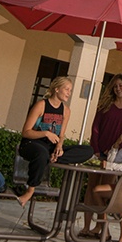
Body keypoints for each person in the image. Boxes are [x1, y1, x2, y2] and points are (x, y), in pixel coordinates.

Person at [17, 76, 93, 207]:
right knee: (41, 153)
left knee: (88, 151)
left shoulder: (66, 111)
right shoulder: (41, 105)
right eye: (67, 89)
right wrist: (46, 133)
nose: (69, 92)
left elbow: (61, 135)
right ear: (56, 89)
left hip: (49, 148)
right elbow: (26, 132)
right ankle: (30, 190)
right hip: (32, 144)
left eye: (71, 90)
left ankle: (54, 156)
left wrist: (59, 146)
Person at [81, 73, 122, 235]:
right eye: (115, 86)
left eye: (121, 85)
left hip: (116, 155)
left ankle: (100, 226)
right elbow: (95, 128)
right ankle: (86, 226)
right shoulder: (105, 104)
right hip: (98, 152)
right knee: (90, 187)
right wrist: (97, 150)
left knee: (102, 190)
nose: (118, 89)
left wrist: (115, 147)